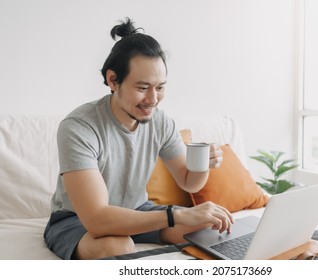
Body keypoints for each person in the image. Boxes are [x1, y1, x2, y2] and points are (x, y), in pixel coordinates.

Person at [44, 17, 233, 260]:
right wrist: (177, 215)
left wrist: (203, 164)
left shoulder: (160, 121)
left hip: (138, 210)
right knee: (118, 247)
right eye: (143, 88)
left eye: (160, 87)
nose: (153, 99)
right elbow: (98, 219)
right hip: (77, 220)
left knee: (210, 225)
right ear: (113, 80)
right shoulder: (79, 127)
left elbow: (189, 181)